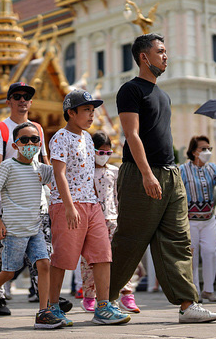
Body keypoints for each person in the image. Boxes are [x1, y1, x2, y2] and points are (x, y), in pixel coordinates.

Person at [111, 33, 216, 323]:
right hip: (140, 173)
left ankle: (188, 305)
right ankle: (103, 300)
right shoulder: (130, 90)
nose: (165, 56)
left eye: (165, 51)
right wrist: (147, 174)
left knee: (178, 240)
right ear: (144, 57)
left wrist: (168, 174)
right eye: (160, 51)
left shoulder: (163, 94)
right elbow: (131, 134)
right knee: (130, 241)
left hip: (171, 173)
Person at [47, 89, 130, 326]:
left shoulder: (86, 137)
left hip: (92, 205)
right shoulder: (60, 138)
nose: (92, 115)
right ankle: (51, 308)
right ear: (71, 113)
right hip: (67, 205)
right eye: (86, 110)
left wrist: (94, 201)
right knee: (63, 259)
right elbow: (59, 173)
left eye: (93, 110)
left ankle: (103, 307)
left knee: (103, 255)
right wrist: (69, 206)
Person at [0, 122, 63, 329]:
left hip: (35, 228)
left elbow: (61, 173)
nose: (30, 143)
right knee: (9, 272)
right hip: (14, 230)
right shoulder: (8, 166)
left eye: (34, 139)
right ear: (15, 144)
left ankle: (43, 312)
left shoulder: (41, 169)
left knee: (44, 264)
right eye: (25, 139)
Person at [0, 82, 52, 316]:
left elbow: (45, 162)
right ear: (9, 101)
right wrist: (11, 185)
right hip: (6, 201)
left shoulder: (38, 129)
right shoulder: (0, 129)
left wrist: (50, 189)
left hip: (35, 201)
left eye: (27, 97)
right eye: (17, 96)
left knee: (43, 257)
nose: (23, 100)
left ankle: (46, 303)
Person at [80, 131, 140, 313]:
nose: (104, 156)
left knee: (120, 257)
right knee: (89, 261)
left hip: (112, 219)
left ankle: (127, 294)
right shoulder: (83, 171)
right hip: (90, 222)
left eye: (108, 153)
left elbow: (117, 197)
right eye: (100, 152)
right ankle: (89, 296)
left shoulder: (115, 171)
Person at [179, 136, 216, 302]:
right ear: (193, 152)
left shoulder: (212, 168)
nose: (207, 152)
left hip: (209, 219)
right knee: (192, 255)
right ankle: (194, 291)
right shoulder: (183, 169)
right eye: (203, 149)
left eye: (209, 148)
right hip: (190, 220)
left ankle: (209, 290)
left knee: (210, 252)